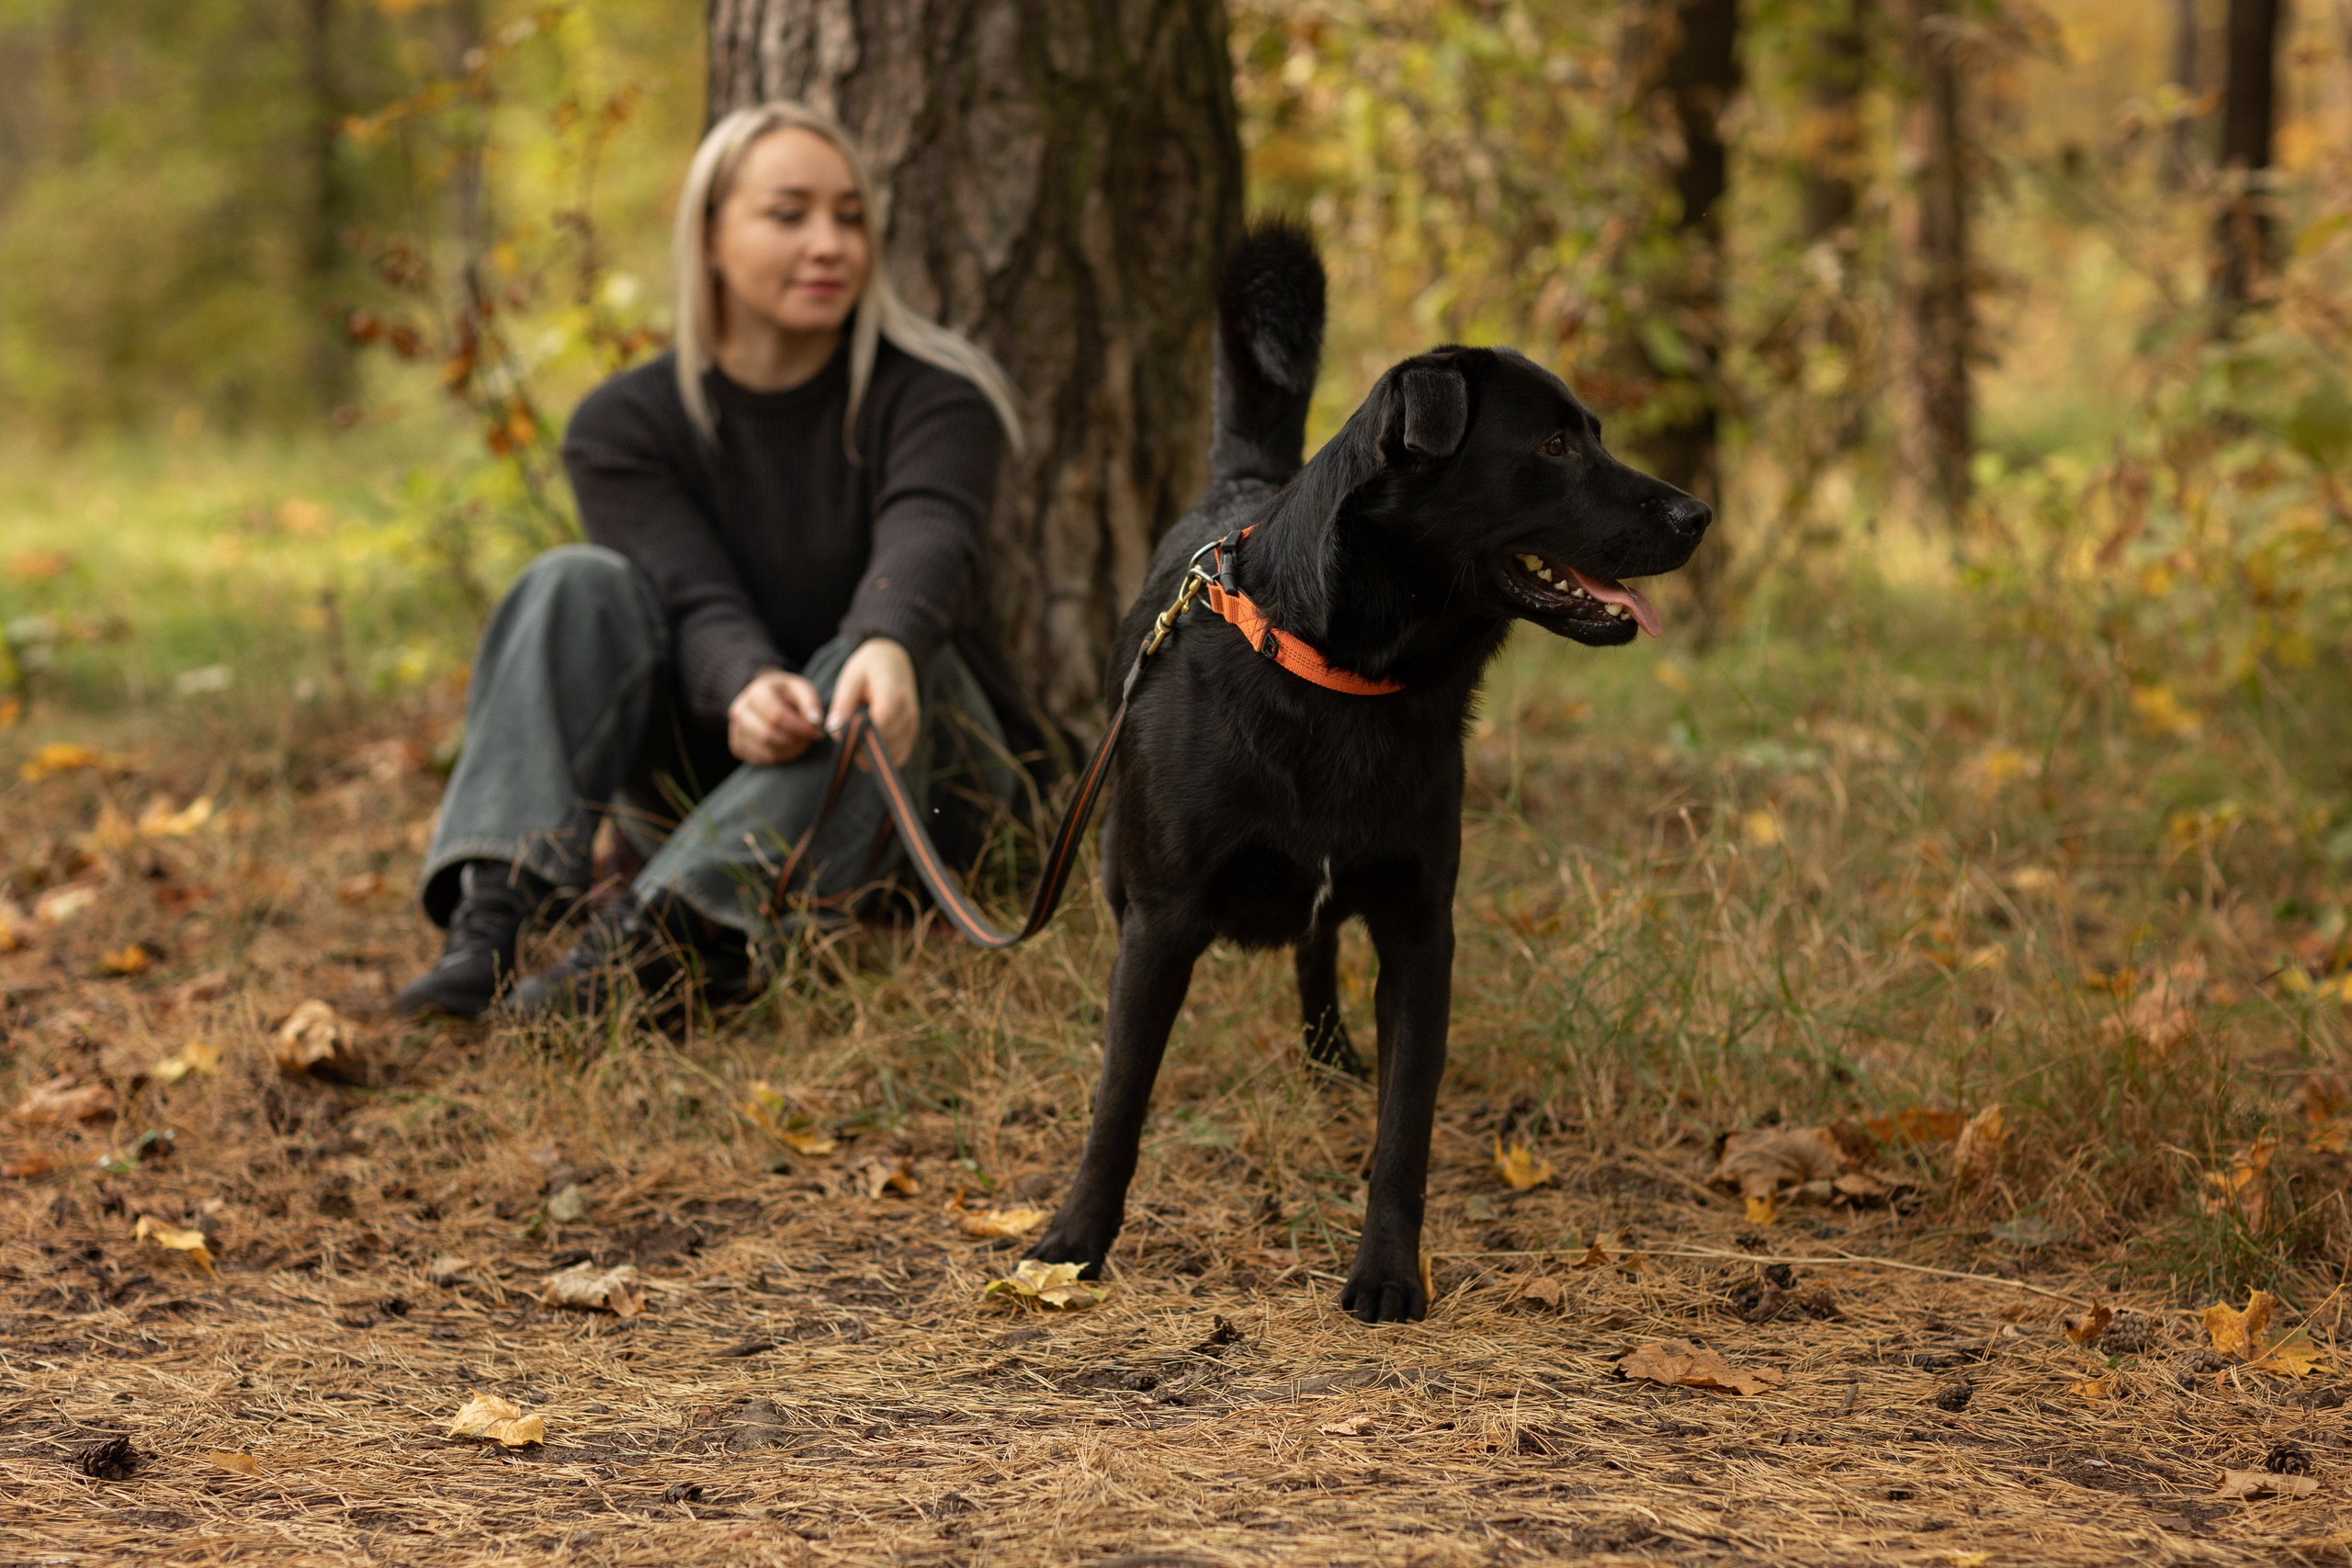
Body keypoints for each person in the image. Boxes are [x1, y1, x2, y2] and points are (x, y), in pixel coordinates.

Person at [394, 100, 1038, 1021]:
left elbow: (929, 533)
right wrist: (743, 685)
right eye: (789, 214)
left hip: (921, 795)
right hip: (714, 788)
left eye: (850, 217)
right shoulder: (625, 425)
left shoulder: (937, 397)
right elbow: (689, 595)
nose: (829, 244)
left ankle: (664, 945)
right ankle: (493, 913)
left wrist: (885, 639)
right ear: (707, 237)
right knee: (571, 582)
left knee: (879, 658)